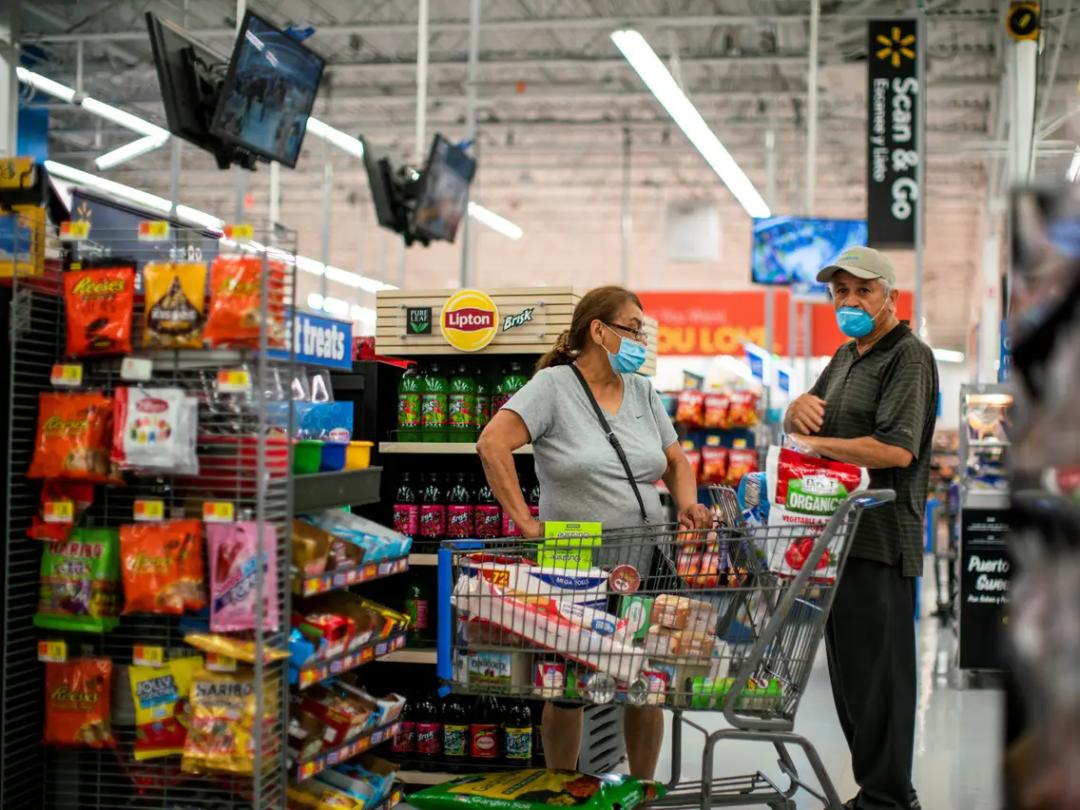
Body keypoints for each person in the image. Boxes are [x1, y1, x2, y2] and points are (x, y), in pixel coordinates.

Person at [476, 285, 710, 779]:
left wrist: (687, 503)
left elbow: (674, 460)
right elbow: (492, 443)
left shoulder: (644, 391)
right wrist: (524, 521)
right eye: (632, 329)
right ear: (598, 331)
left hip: (645, 559)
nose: (640, 340)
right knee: (567, 690)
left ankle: (642, 787)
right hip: (574, 563)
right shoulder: (553, 387)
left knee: (645, 685)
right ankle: (562, 785)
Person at [784, 247, 936, 810]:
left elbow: (896, 450)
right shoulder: (847, 355)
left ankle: (889, 800)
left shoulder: (908, 356)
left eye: (862, 290)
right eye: (839, 291)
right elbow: (806, 417)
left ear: (890, 297)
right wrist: (793, 410)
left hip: (879, 541)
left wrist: (816, 443)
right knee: (852, 684)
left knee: (882, 684)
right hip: (837, 542)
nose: (849, 301)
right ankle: (878, 791)